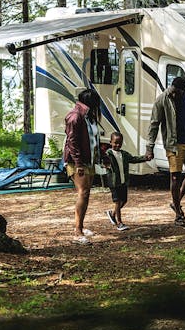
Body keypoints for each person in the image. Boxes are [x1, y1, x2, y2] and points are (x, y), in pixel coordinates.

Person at [146, 76, 185, 226]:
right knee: (175, 177)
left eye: (176, 92)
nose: (173, 94)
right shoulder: (163, 99)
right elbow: (154, 124)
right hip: (173, 144)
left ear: (183, 90)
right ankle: (178, 213)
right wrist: (149, 147)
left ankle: (176, 200)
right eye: (172, 91)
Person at [63, 88, 104, 245]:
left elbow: (94, 139)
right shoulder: (75, 117)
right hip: (77, 162)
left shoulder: (88, 116)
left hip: (89, 160)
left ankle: (81, 226)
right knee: (83, 192)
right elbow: (71, 142)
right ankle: (77, 231)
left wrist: (102, 157)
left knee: (86, 193)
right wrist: (79, 163)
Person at [103, 131, 149, 231]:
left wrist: (145, 158)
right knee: (117, 202)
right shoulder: (108, 154)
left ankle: (112, 214)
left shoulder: (124, 154)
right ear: (110, 142)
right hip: (114, 182)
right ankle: (119, 223)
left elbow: (134, 159)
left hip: (123, 181)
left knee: (124, 200)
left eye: (119, 143)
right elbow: (102, 161)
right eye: (115, 143)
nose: (117, 145)